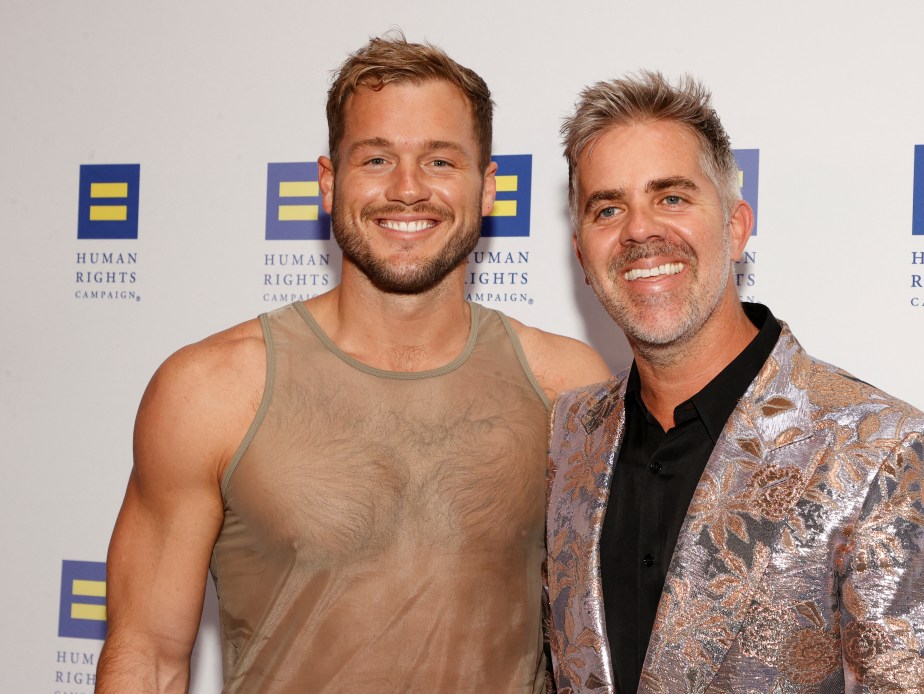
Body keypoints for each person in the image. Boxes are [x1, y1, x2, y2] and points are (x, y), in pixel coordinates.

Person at [96, 34, 608, 693]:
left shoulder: (567, 386)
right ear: (328, 182)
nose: (407, 189)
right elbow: (148, 658)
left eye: (441, 161)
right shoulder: (210, 390)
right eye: (375, 159)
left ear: (488, 189)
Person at [545, 71, 924, 693]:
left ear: (736, 226)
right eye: (608, 208)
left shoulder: (891, 456)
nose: (639, 230)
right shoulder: (570, 437)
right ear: (582, 255)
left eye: (671, 197)